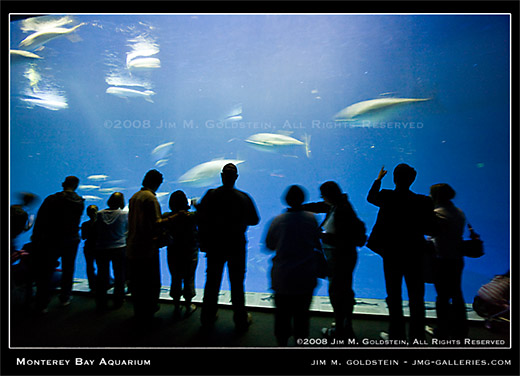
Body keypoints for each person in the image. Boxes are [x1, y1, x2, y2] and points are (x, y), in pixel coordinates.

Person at [366, 164, 435, 342]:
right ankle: (417, 337)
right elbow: (430, 227)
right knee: (417, 296)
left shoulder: (387, 196)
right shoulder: (424, 201)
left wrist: (378, 179)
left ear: (394, 179)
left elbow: (371, 197)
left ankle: (396, 336)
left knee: (394, 295)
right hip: (415, 253)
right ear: (412, 180)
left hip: (391, 252)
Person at [197, 163, 260, 331]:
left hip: (215, 246)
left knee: (212, 283)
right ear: (236, 177)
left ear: (221, 175)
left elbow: (200, 217)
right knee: (237, 284)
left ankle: (207, 318)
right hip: (236, 246)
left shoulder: (211, 195)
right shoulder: (243, 197)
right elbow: (255, 220)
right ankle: (240, 320)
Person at [303, 181, 366, 340]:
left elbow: (342, 238)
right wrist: (302, 207)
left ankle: (339, 329)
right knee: (344, 290)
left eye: (323, 195)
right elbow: (320, 206)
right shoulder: (338, 205)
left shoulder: (342, 210)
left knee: (337, 292)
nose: (322, 198)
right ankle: (345, 325)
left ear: (329, 195)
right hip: (343, 256)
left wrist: (319, 235)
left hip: (340, 257)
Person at [265, 185, 321, 346]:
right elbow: (317, 242)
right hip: (306, 276)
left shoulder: (278, 220)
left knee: (282, 316)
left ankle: (282, 344)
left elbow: (269, 245)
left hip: (283, 276)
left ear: (286, 200)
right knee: (302, 316)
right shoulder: (311, 219)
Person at [32, 176, 85, 312]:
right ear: (76, 186)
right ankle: (65, 297)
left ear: (63, 184)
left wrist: (36, 237)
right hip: (72, 239)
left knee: (46, 269)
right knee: (68, 268)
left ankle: (42, 302)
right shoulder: (79, 202)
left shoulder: (52, 199)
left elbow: (41, 219)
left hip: (52, 239)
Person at [127, 170, 169, 326]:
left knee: (137, 283)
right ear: (156, 182)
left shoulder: (134, 197)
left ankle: (138, 313)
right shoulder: (151, 199)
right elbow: (156, 224)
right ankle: (148, 315)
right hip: (147, 247)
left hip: (132, 245)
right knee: (150, 283)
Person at [429, 183, 468, 339]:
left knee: (443, 297)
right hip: (457, 259)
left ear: (437, 196)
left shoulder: (437, 214)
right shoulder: (459, 212)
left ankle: (442, 330)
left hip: (442, 260)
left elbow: (431, 233)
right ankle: (461, 330)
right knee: (457, 294)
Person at [162, 190, 199, 319]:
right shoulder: (191, 216)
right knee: (189, 278)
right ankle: (188, 306)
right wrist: (195, 205)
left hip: (173, 252)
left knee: (175, 278)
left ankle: (177, 307)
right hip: (190, 252)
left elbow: (160, 225)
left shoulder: (167, 216)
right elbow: (205, 217)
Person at [95, 193, 128, 311]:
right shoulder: (124, 214)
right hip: (119, 247)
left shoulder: (99, 214)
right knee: (120, 275)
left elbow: (97, 230)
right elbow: (127, 229)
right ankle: (118, 300)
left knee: (102, 275)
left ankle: (101, 301)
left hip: (102, 247)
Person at [81, 205, 98, 293]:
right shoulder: (101, 224)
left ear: (87, 213)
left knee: (90, 266)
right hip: (99, 247)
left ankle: (92, 284)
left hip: (88, 247)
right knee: (101, 266)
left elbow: (83, 237)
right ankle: (102, 284)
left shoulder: (84, 224)